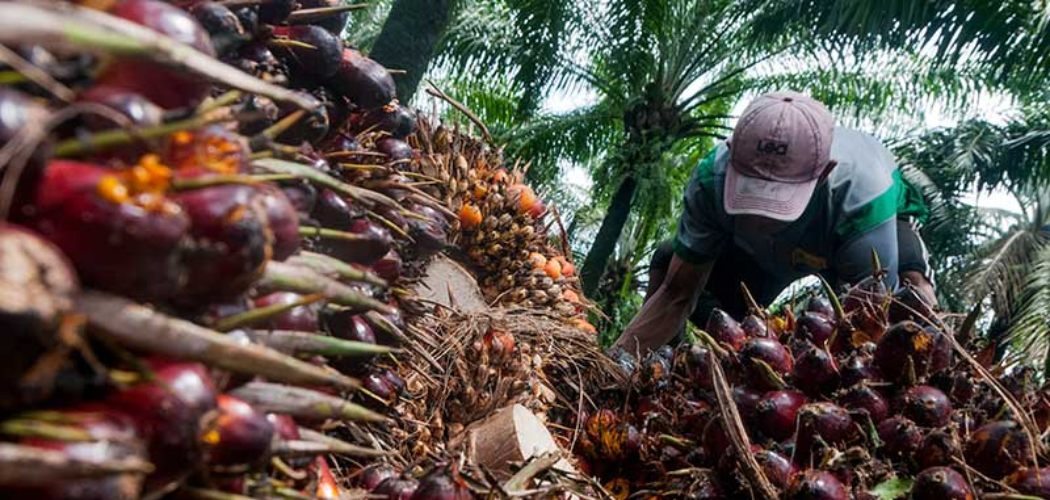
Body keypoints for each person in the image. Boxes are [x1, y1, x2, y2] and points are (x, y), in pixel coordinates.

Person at [613, 91, 935, 354]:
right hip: (761, 260)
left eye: (777, 198)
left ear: (823, 174)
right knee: (671, 262)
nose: (760, 217)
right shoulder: (711, 179)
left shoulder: (861, 194)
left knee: (910, 301)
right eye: (750, 192)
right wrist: (613, 365)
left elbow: (870, 326)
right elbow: (675, 295)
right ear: (731, 155)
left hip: (851, 235)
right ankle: (666, 370)